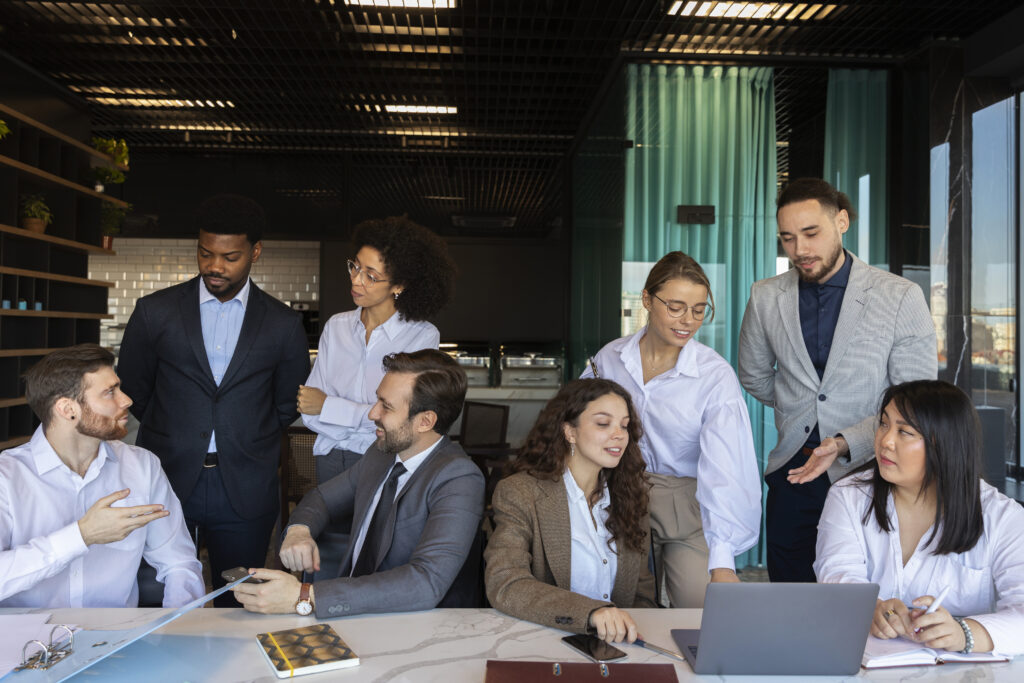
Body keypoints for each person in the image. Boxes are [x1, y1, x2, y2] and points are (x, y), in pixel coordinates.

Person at [738, 177, 937, 583]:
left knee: (863, 596)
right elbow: (754, 376)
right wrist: (802, 410)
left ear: (842, 221)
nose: (800, 250)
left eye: (811, 233)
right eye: (788, 238)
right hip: (794, 471)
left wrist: (845, 440)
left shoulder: (899, 296)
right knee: (791, 595)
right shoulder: (765, 296)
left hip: (875, 468)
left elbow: (916, 397)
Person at [118, 194, 310, 606]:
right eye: (206, 254)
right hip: (165, 476)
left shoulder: (283, 323)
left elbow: (286, 401)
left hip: (244, 483)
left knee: (237, 602)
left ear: (255, 253)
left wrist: (245, 434)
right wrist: (176, 428)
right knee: (155, 596)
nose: (215, 266)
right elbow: (134, 387)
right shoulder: (155, 312)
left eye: (230, 256)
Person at [232, 350, 484, 617]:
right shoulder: (381, 453)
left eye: (386, 406)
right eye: (378, 399)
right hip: (350, 612)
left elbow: (425, 583)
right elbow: (322, 499)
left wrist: (306, 596)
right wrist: (299, 530)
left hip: (416, 628)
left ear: (425, 421)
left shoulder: (459, 478)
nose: (372, 413)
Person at [584, 252, 761, 608]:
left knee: (702, 613)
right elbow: (578, 424)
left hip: (688, 504)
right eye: (676, 307)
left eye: (699, 310)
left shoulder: (714, 375)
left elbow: (726, 466)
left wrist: (722, 561)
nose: (688, 321)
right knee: (621, 608)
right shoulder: (609, 359)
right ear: (647, 299)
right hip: (618, 499)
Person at [815, 380, 1024, 656]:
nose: (885, 441)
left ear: (944, 444)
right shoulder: (848, 497)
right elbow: (836, 577)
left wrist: (965, 633)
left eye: (905, 432)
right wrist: (872, 608)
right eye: (884, 424)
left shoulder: (1002, 517)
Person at [297, 216, 456, 575]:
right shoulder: (336, 327)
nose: (356, 280)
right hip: (330, 460)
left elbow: (403, 417)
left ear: (399, 284)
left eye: (371, 275)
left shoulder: (421, 336)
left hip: (384, 459)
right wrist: (360, 414)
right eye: (355, 267)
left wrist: (332, 407)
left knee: (377, 558)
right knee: (326, 561)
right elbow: (308, 410)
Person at [0, 345, 204, 608]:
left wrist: (178, 628)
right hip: (25, 643)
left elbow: (180, 564)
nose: (126, 400)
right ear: (67, 409)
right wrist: (82, 535)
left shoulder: (143, 467)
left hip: (116, 639)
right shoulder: (6, 477)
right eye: (110, 392)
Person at [485, 379, 657, 643]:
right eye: (603, 423)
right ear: (569, 432)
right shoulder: (520, 493)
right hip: (542, 642)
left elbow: (641, 593)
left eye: (624, 425)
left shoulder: (631, 497)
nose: (619, 434)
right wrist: (591, 613)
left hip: (619, 649)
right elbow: (506, 583)